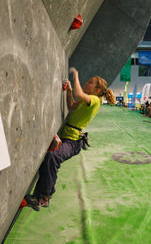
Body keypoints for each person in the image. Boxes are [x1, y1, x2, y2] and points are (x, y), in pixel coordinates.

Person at [25, 68, 115, 211]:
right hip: (66, 136)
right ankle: (44, 194)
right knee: (48, 161)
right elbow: (71, 105)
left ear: (98, 90)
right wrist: (69, 91)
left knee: (53, 157)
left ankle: (44, 197)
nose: (87, 83)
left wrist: (76, 76)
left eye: (90, 82)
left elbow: (79, 93)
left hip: (73, 142)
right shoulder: (87, 100)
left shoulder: (95, 100)